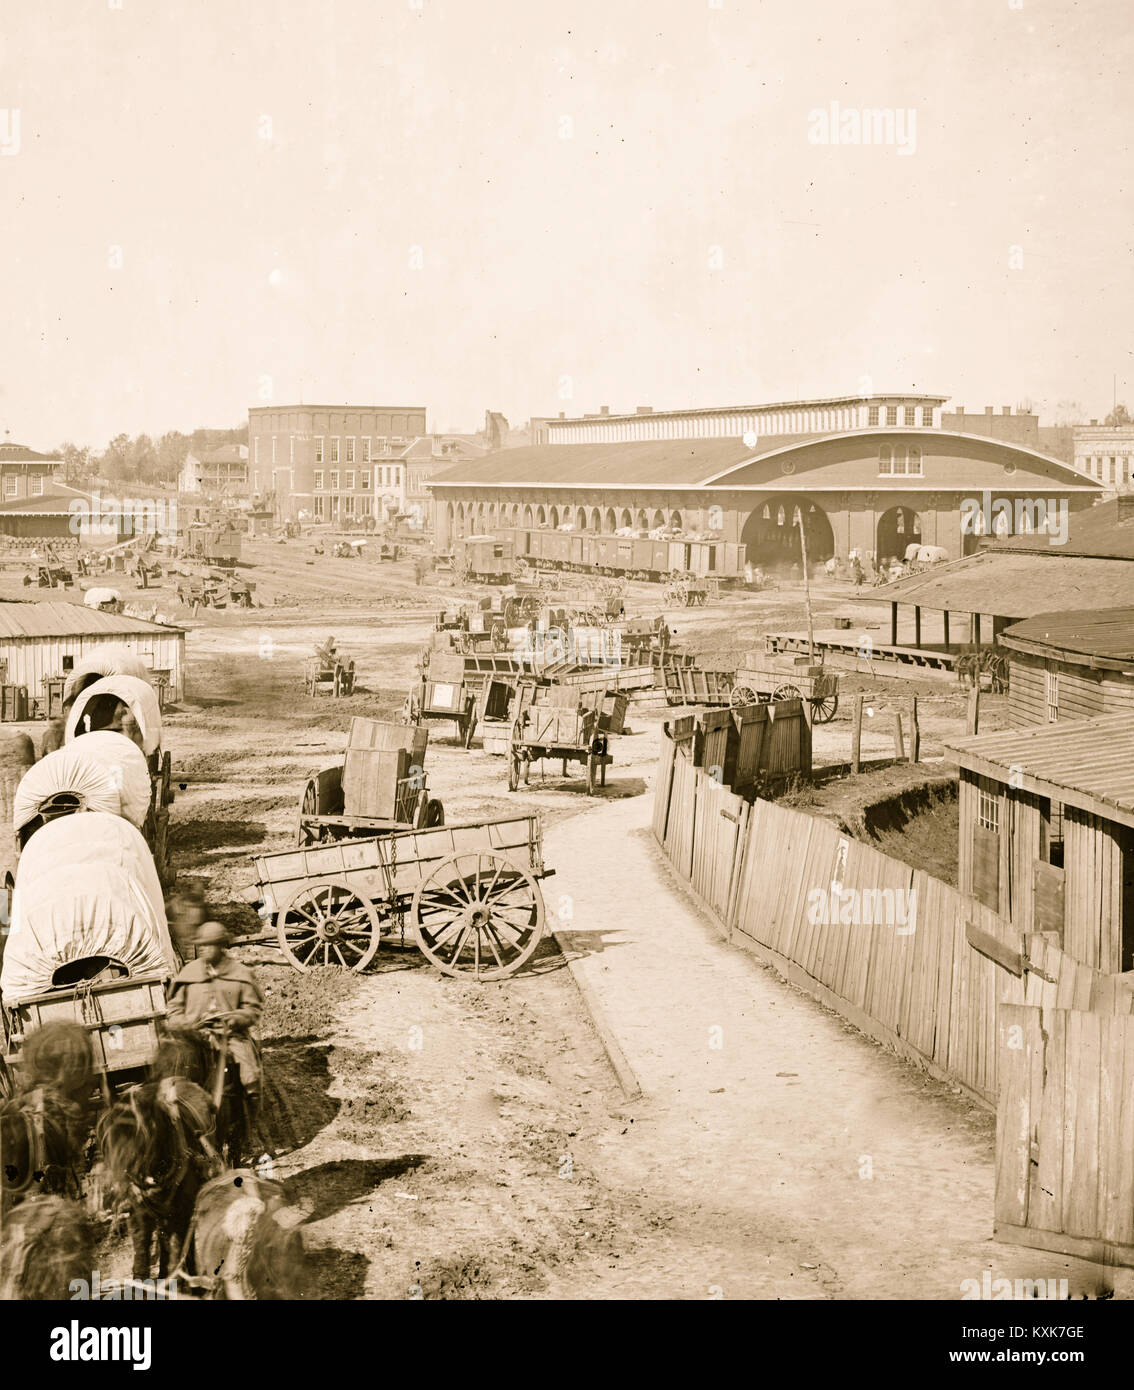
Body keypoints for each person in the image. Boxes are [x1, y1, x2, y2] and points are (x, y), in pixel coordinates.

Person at [165, 922, 264, 1148]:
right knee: (172, 1078)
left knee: (249, 1075)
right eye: (203, 946)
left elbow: (253, 1009)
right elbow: (174, 1010)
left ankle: (251, 1128)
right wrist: (187, 1024)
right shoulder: (188, 974)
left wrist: (235, 1019)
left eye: (212, 945)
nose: (207, 950)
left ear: (222, 947)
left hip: (231, 1036)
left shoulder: (240, 974)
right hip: (194, 1037)